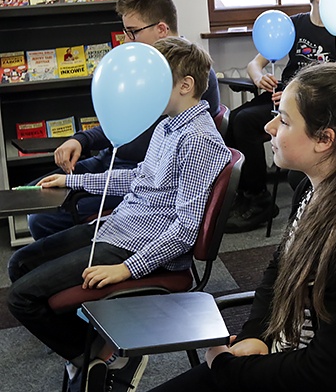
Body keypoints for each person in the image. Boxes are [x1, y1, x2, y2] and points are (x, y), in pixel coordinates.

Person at [149, 62, 336, 392]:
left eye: (283, 119)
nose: (269, 127)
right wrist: (255, 334)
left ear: (324, 139)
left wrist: (228, 367)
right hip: (291, 355)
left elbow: (324, 372)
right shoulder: (312, 191)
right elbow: (278, 270)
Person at [7, 37, 231, 392]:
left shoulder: (199, 140)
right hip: (121, 226)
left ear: (185, 86)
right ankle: (95, 349)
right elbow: (137, 177)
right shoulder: (167, 125)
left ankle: (100, 357)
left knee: (21, 297)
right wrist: (73, 180)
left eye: (156, 83)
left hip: (139, 245)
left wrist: (124, 270)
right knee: (18, 265)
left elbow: (185, 230)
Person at [28, 0, 221, 240]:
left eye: (133, 32)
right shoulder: (144, 69)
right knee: (34, 193)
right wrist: (81, 139)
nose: (126, 41)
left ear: (161, 29)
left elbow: (149, 155)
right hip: (112, 160)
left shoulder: (187, 78)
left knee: (42, 216)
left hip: (137, 176)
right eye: (125, 32)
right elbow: (121, 119)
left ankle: (77, 256)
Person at [224, 0, 336, 233]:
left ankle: (256, 199)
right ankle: (255, 195)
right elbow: (255, 63)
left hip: (317, 104)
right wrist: (258, 76)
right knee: (238, 121)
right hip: (283, 97)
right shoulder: (294, 25)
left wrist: (292, 95)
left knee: (246, 121)